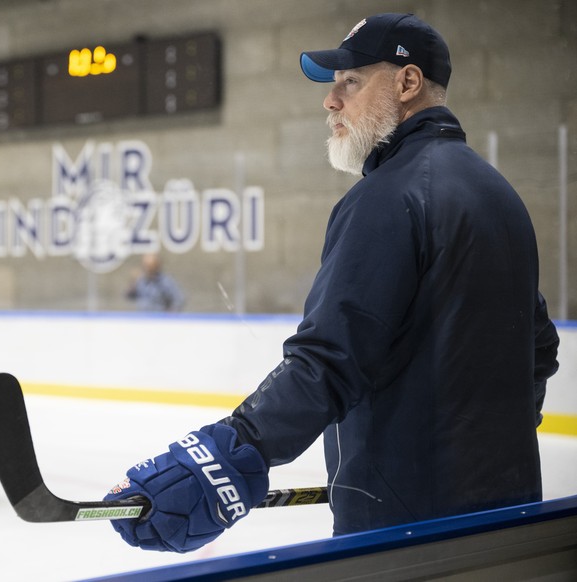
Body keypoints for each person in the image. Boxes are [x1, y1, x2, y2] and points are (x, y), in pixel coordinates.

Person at [104, 13, 560, 552]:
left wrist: (222, 454)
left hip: (407, 535)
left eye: (350, 82)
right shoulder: (499, 195)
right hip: (512, 521)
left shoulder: (387, 199)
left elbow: (328, 362)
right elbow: (537, 348)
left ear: (407, 83)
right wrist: (478, 454)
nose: (330, 101)